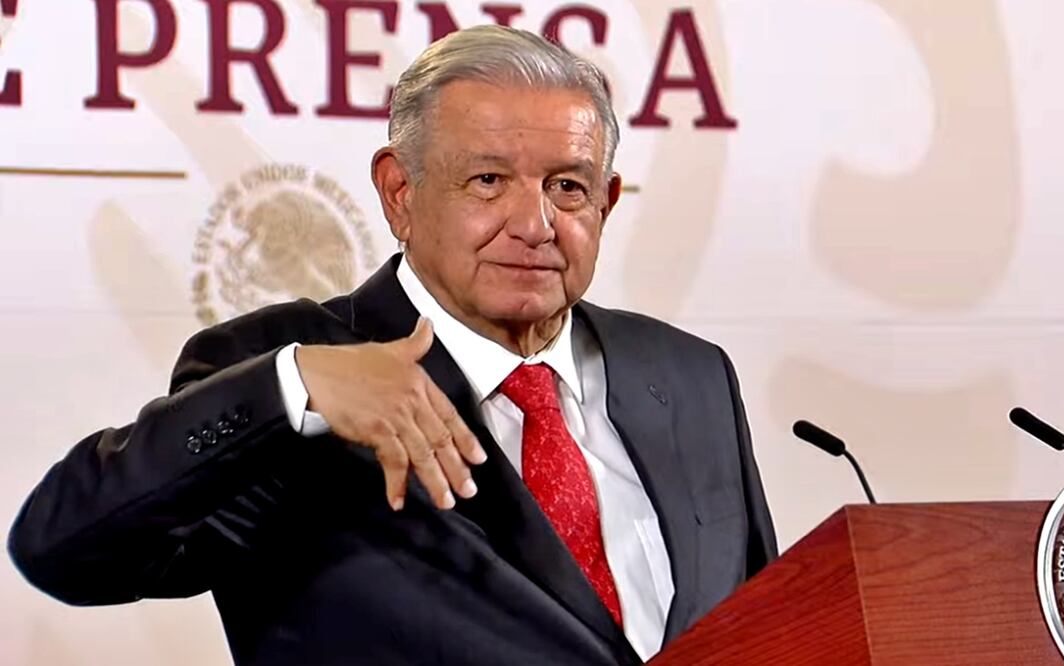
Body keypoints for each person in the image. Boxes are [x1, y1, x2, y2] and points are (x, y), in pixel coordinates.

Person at [8, 25, 776, 666]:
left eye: (568, 187)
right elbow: (64, 547)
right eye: (487, 181)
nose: (535, 224)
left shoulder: (688, 375)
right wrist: (294, 392)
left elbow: (772, 622)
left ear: (606, 203)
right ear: (400, 194)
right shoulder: (291, 367)